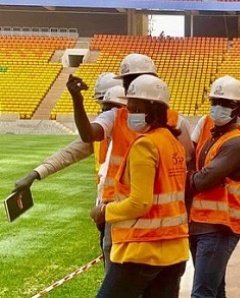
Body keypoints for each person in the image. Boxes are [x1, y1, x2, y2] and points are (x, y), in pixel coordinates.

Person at [67, 53, 193, 269]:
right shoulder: (118, 115)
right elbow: (89, 134)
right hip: (122, 210)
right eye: (127, 82)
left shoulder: (176, 121)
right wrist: (77, 101)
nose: (131, 86)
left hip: (159, 222)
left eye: (135, 79)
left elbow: (186, 165)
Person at [90, 75, 189, 297]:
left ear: (152, 109)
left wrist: (104, 211)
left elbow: (139, 202)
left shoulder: (145, 145)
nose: (129, 113)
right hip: (174, 248)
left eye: (135, 107)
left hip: (143, 248)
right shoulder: (172, 141)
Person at [13, 72, 123, 267]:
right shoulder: (103, 131)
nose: (103, 111)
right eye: (102, 106)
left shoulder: (135, 133)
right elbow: (69, 153)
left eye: (106, 106)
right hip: (106, 212)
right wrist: (35, 174)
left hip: (122, 213)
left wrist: (77, 100)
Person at [186, 76, 240, 298]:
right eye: (215, 102)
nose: (218, 108)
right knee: (214, 290)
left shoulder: (235, 143)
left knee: (202, 293)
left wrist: (179, 178)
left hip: (219, 227)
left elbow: (203, 180)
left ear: (237, 109)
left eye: (225, 104)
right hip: (201, 224)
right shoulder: (215, 136)